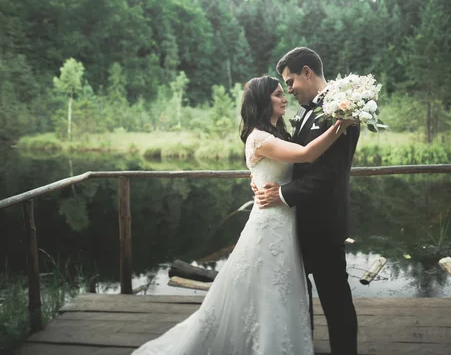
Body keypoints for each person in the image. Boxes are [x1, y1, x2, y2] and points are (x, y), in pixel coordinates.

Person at [131, 75, 353, 355]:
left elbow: (289, 169)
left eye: (284, 92)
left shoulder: (278, 133)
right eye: (277, 94)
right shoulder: (259, 137)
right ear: (262, 101)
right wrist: (340, 124)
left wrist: (259, 180)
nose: (285, 98)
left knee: (283, 288)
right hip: (269, 223)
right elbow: (307, 155)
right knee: (266, 287)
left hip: (287, 222)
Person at [254, 47, 360, 355]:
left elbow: (328, 174)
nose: (289, 89)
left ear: (307, 73)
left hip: (324, 225)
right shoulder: (306, 112)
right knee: (300, 297)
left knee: (335, 300)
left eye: (290, 82)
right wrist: (262, 177)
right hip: (297, 226)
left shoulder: (342, 110)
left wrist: (283, 194)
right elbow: (295, 163)